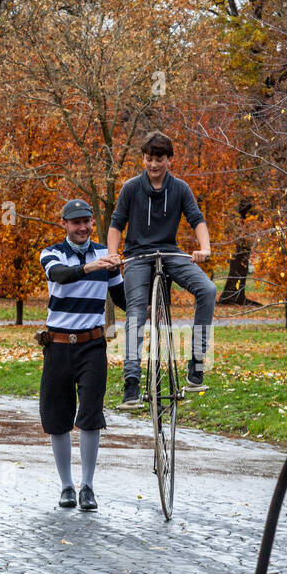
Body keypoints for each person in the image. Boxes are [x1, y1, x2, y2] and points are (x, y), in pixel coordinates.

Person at [107, 130, 216, 409]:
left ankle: (197, 362)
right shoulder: (131, 188)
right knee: (136, 311)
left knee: (207, 289)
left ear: (169, 160)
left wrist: (205, 248)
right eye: (148, 159)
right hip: (137, 256)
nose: (153, 165)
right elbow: (116, 224)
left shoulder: (180, 188)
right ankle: (131, 382)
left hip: (169, 252)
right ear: (143, 159)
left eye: (159, 159)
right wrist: (112, 254)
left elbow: (197, 219)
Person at [38, 198, 126, 511]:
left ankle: (88, 487)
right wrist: (89, 267)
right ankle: (66, 486)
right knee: (58, 418)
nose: (83, 227)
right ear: (64, 224)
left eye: (87, 221)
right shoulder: (51, 253)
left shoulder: (106, 253)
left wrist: (147, 285)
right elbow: (59, 275)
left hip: (92, 344)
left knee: (90, 416)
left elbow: (122, 297)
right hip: (58, 344)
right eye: (76, 222)